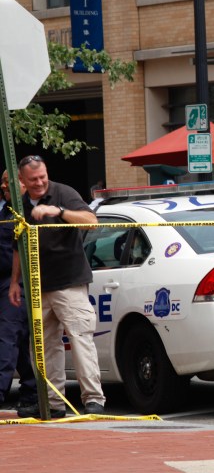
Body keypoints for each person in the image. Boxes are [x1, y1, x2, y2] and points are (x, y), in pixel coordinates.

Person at [10, 155, 106, 418]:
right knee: (43, 346)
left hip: (69, 282)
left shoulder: (63, 193)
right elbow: (17, 243)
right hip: (37, 285)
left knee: (80, 338)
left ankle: (93, 400)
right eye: (33, 180)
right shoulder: (19, 204)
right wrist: (15, 281)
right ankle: (53, 403)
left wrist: (59, 212)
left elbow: (91, 221)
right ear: (22, 181)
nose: (39, 183)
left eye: (42, 177)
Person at [0, 170, 37, 410]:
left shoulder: (29, 212)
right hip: (4, 282)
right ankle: (32, 393)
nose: (3, 185)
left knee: (7, 336)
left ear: (23, 184)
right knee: (19, 340)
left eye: (8, 181)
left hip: (18, 284)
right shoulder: (5, 212)